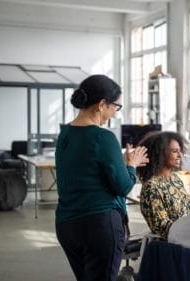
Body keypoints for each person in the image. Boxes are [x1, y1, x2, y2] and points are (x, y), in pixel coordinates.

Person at [55, 74, 149, 281]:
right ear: (101, 104)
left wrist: (119, 162)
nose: (115, 112)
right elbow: (123, 186)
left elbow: (84, 169)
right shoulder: (103, 137)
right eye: (116, 106)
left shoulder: (65, 134)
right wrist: (131, 166)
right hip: (99, 225)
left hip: (67, 224)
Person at [137, 131, 190, 239]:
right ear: (160, 154)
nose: (180, 156)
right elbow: (162, 226)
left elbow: (188, 210)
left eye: (180, 151)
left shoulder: (175, 178)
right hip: (175, 243)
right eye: (175, 151)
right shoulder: (152, 187)